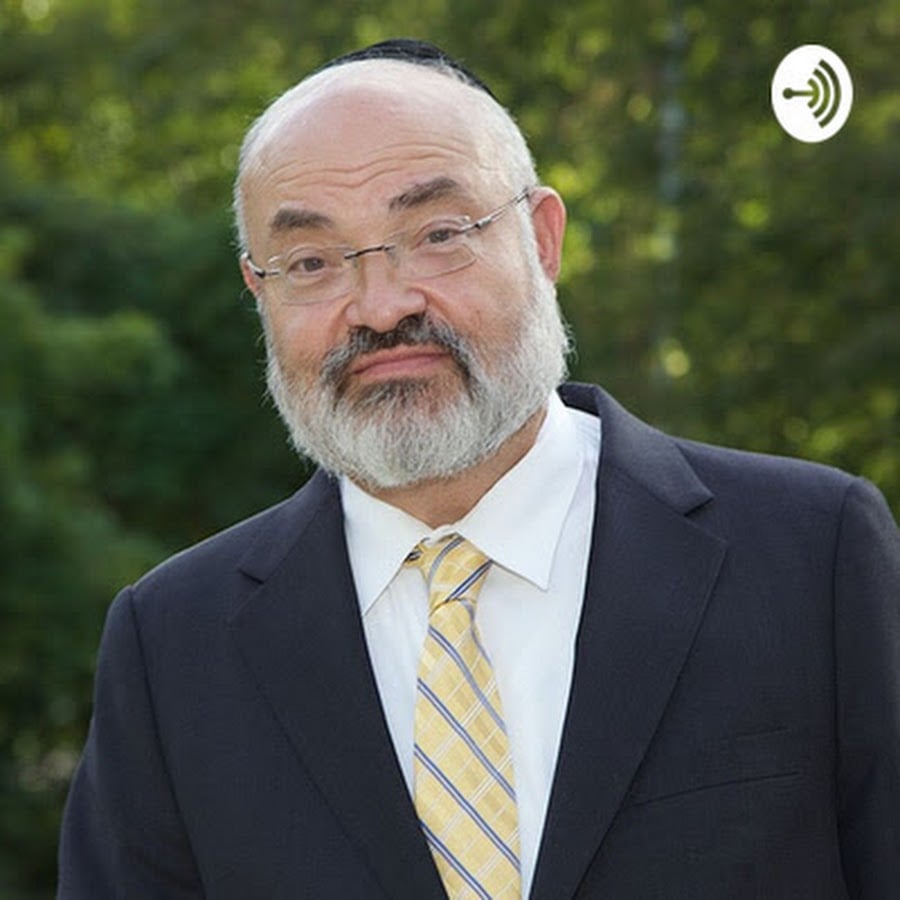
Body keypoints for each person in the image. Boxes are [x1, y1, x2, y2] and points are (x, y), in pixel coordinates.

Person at [58, 38, 900, 899]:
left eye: (437, 235)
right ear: (259, 290)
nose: (382, 306)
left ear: (542, 239)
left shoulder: (813, 556)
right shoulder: (172, 645)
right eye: (311, 262)